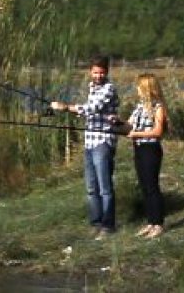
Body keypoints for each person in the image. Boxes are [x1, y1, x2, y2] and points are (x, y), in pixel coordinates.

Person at [50, 55, 119, 240]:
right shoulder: (92, 88)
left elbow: (92, 109)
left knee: (105, 188)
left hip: (103, 142)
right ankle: (95, 223)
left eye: (102, 72)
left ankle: (108, 226)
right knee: (91, 188)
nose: (98, 75)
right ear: (90, 72)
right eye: (95, 72)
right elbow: (89, 114)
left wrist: (65, 107)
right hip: (89, 142)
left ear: (107, 72)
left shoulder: (109, 89)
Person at [124, 73, 167, 239]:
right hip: (139, 149)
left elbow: (157, 131)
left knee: (152, 186)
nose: (136, 90)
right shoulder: (139, 107)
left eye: (139, 87)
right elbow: (128, 125)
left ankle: (158, 224)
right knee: (144, 186)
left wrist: (136, 134)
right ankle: (150, 222)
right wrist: (115, 122)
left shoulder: (159, 107)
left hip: (151, 149)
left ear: (147, 88)